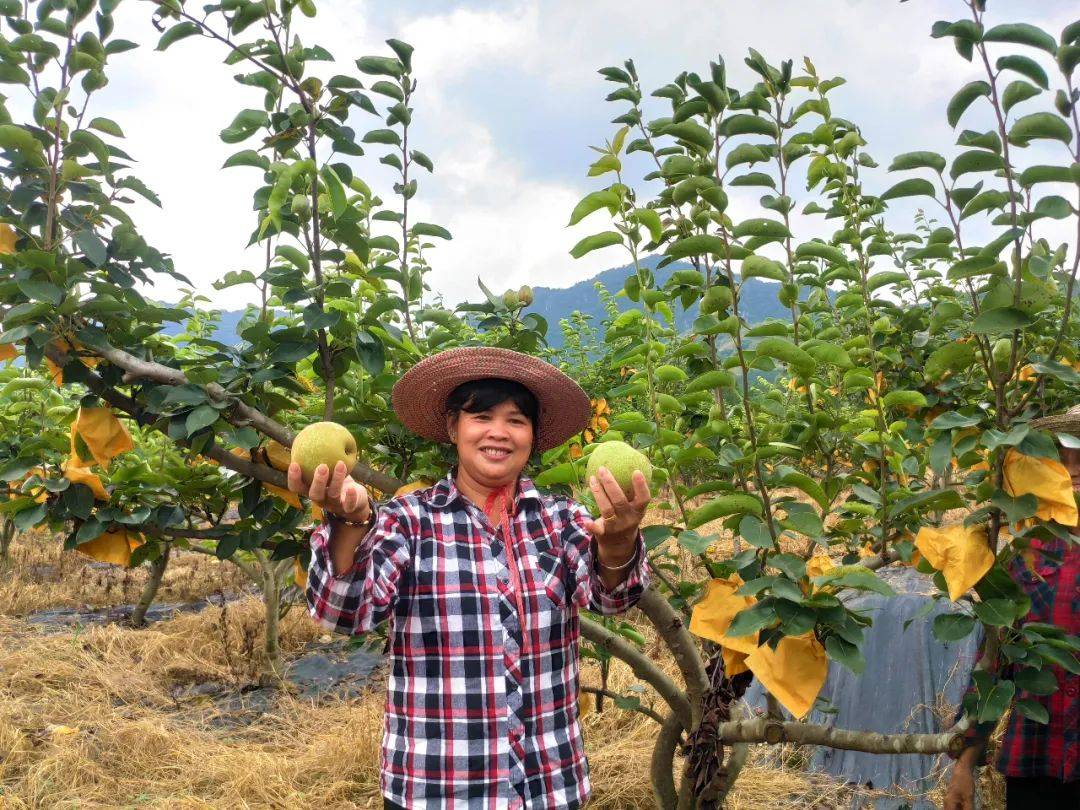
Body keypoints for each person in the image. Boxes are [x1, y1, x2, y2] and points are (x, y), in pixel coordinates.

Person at [287, 347, 652, 809]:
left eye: (517, 420)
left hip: (548, 786)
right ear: (452, 427)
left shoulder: (562, 521)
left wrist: (618, 542)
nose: (499, 432)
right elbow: (343, 614)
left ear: (533, 436)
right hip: (437, 789)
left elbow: (613, 599)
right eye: (481, 416)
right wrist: (348, 522)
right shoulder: (408, 521)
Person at [944, 405, 1080, 809]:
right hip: (1038, 762)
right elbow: (994, 664)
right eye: (1060, 460)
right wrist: (964, 765)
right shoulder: (1027, 559)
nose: (1072, 471)